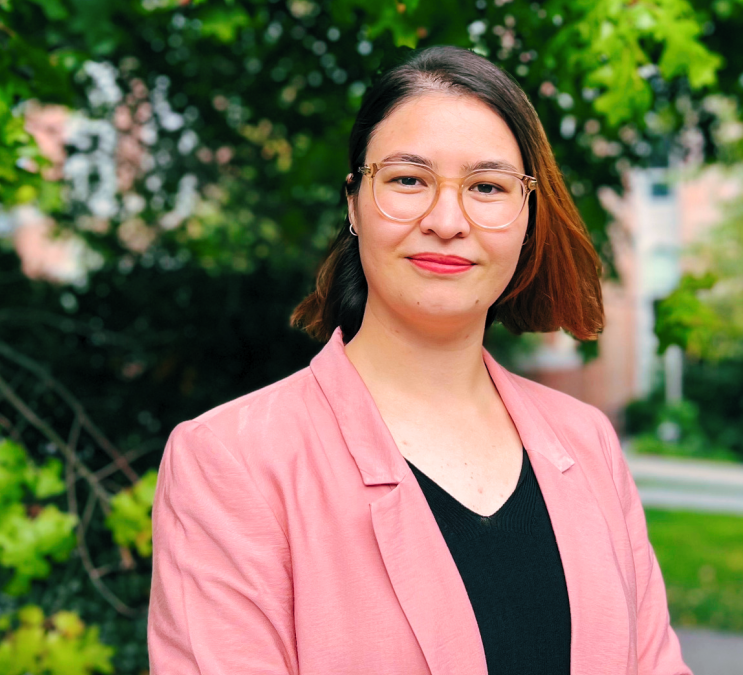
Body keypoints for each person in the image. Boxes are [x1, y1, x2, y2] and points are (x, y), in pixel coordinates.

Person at [148, 45, 691, 675]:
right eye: (409, 179)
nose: (447, 219)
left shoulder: (589, 443)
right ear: (353, 202)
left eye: (487, 186)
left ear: (526, 219)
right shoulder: (232, 461)